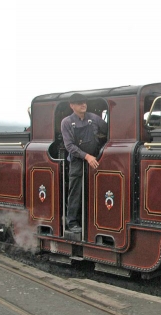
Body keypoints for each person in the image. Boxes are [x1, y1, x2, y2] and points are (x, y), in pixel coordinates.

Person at [61, 93, 108, 233]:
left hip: (96, 158)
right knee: (75, 191)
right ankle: (72, 221)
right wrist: (86, 156)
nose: (84, 105)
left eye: (84, 102)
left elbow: (108, 132)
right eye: (80, 103)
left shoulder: (94, 119)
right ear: (72, 106)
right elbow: (69, 146)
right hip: (77, 161)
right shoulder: (67, 122)